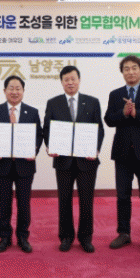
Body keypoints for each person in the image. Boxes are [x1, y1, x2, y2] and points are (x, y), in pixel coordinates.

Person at [43, 65, 104, 253]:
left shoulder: (92, 102)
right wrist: (50, 146)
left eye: (73, 79)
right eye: (66, 80)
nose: (70, 82)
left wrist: (95, 149)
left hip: (87, 160)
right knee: (64, 200)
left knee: (86, 201)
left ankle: (86, 237)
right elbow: (47, 128)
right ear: (62, 82)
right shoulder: (53, 103)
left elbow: (99, 129)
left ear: (79, 80)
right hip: (63, 160)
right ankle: (66, 237)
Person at [104, 55, 140, 254]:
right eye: (126, 68)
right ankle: (124, 233)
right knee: (122, 196)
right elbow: (108, 120)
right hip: (122, 153)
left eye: (134, 68)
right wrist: (123, 113)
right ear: (122, 72)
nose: (130, 72)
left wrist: (137, 114)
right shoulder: (115, 94)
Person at [0, 75, 43, 253]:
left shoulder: (32, 112)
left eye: (18, 88)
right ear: (4, 91)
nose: (15, 92)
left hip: (25, 165)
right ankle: (4, 237)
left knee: (24, 204)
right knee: (4, 203)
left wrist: (34, 150)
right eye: (11, 88)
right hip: (2, 165)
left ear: (23, 91)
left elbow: (39, 135)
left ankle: (23, 237)